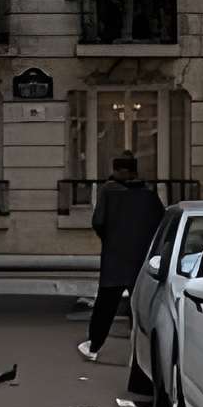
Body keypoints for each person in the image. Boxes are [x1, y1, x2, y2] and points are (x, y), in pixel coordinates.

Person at [79, 150, 164, 364]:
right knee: (139, 309)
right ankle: (138, 353)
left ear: (117, 170)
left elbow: (98, 221)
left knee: (105, 306)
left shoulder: (109, 191)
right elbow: (160, 221)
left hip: (115, 258)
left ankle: (94, 345)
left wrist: (110, 238)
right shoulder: (148, 192)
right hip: (141, 259)